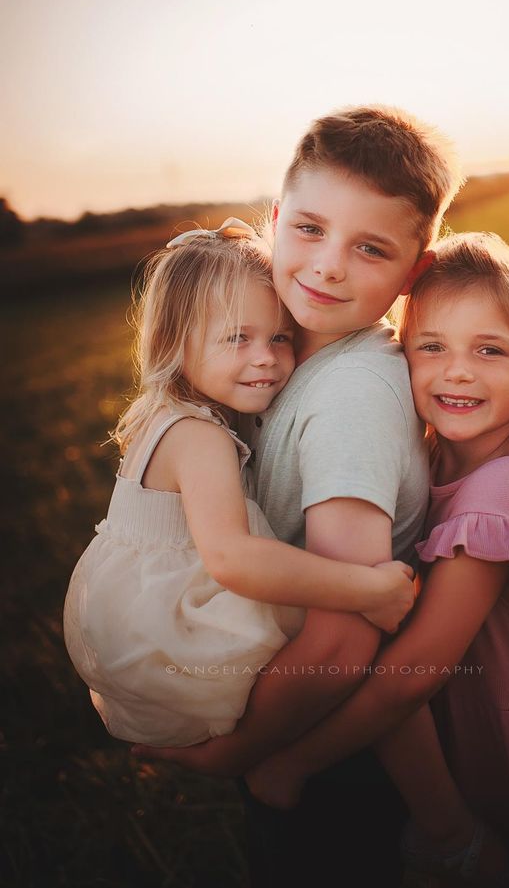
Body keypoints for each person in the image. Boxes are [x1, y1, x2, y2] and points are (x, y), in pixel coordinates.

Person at [133, 106, 465, 887]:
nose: (327, 267)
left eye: (370, 248)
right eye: (310, 228)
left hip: (326, 746)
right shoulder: (285, 359)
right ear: (275, 220)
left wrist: (239, 751)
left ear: (412, 273)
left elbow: (341, 638)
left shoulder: (347, 397)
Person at [245, 231, 509, 888]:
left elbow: (408, 675)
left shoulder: (499, 499)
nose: (456, 371)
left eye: (489, 350)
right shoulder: (444, 454)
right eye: (431, 347)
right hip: (467, 736)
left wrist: (293, 761)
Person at [63, 218, 416, 749]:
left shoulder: (170, 415)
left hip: (140, 629)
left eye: (279, 337)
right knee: (368, 657)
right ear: (174, 344)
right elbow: (232, 557)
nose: (265, 358)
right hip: (176, 640)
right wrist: (371, 589)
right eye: (237, 338)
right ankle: (443, 818)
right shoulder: (198, 437)